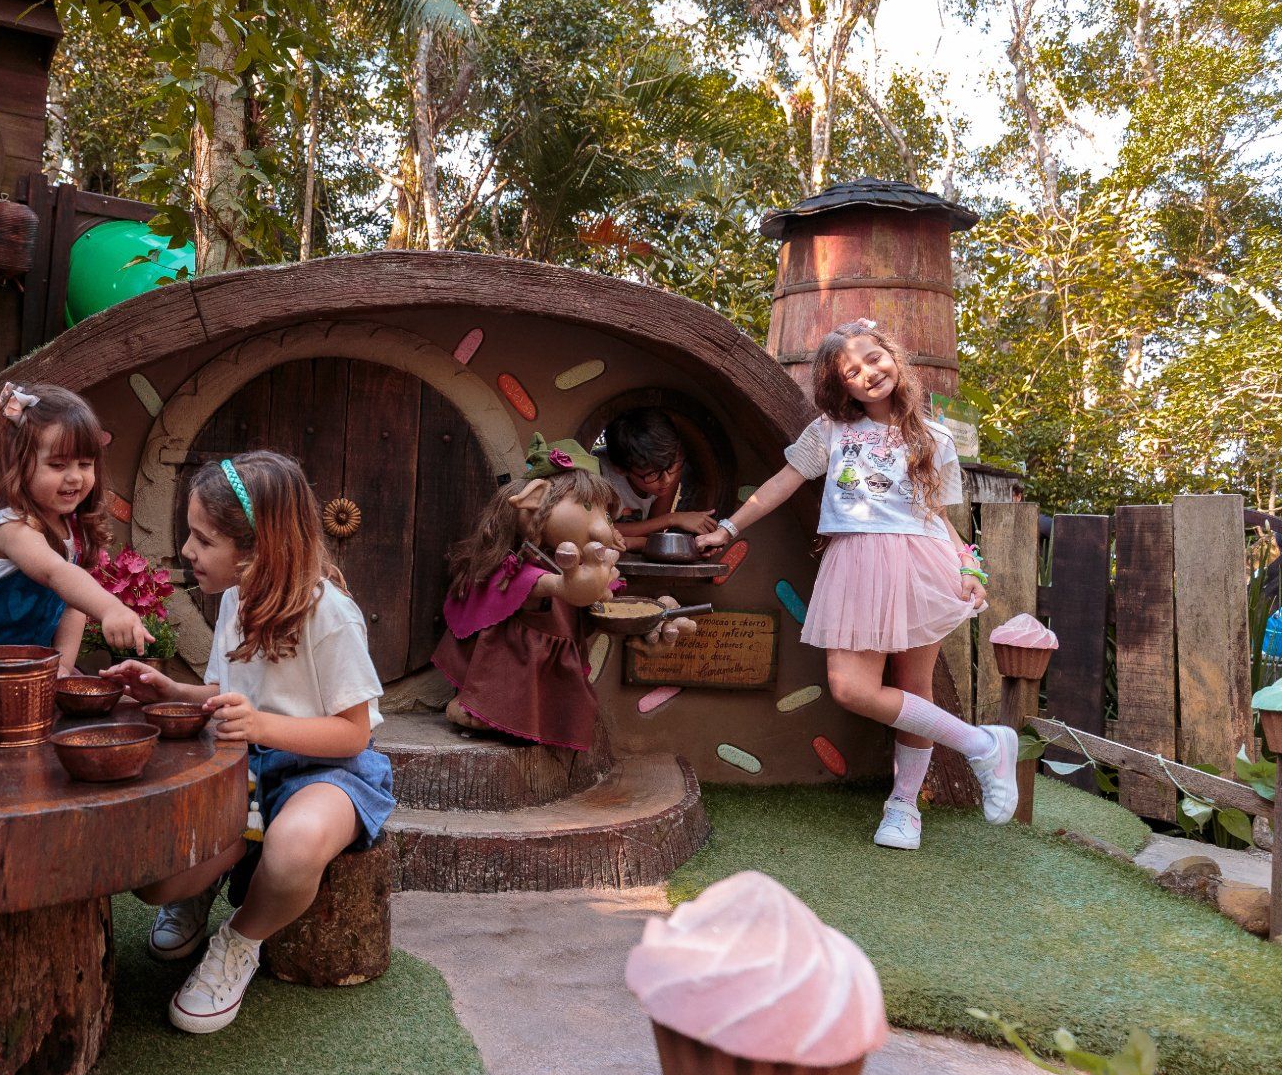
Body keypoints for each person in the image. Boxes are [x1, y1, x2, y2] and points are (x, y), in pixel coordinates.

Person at [102, 451, 392, 1035]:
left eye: (203, 540)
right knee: (156, 880)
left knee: (294, 846)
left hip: (327, 770)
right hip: (247, 766)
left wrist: (260, 727)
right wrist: (169, 691)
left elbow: (353, 732)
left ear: (257, 550)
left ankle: (240, 939)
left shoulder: (329, 616)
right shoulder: (236, 598)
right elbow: (224, 691)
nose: (187, 551)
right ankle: (202, 885)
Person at [694, 318, 1011, 850]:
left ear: (893, 356)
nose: (868, 373)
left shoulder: (934, 437)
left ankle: (904, 807)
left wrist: (969, 567)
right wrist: (729, 527)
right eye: (851, 371)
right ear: (839, 386)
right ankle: (982, 744)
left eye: (874, 358)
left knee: (915, 689)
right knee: (851, 689)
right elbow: (780, 484)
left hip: (921, 562)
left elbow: (938, 515)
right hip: (854, 564)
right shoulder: (830, 433)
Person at [0, 382, 150, 687]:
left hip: (10, 685)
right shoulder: (12, 529)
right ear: (20, 465)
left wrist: (62, 665)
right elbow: (55, 573)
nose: (74, 476)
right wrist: (111, 608)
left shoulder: (70, 532)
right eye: (58, 464)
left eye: (85, 464)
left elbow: (72, 604)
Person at [433, 436, 624, 750]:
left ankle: (542, 720)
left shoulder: (565, 559)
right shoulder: (523, 568)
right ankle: (479, 709)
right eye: (588, 506)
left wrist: (652, 614)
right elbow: (565, 588)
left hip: (551, 655)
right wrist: (582, 583)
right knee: (507, 682)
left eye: (605, 514)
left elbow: (602, 596)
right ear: (537, 499)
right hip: (514, 660)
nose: (602, 527)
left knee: (551, 694)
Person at [600, 407, 717, 548]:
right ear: (621, 469)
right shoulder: (601, 475)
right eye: (652, 474)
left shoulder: (667, 465)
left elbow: (654, 533)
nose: (667, 480)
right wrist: (673, 519)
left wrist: (635, 542)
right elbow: (600, 529)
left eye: (671, 467)